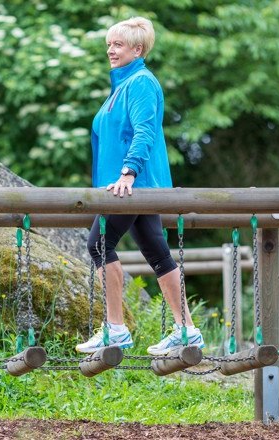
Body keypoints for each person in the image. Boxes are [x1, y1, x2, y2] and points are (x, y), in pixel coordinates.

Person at [76, 17, 205, 356]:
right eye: (109, 44)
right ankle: (186, 330)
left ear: (137, 49)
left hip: (131, 186)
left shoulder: (141, 83)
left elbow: (145, 131)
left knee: (98, 244)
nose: (110, 50)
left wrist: (129, 172)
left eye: (117, 45)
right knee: (157, 252)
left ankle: (116, 328)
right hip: (125, 185)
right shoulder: (122, 85)